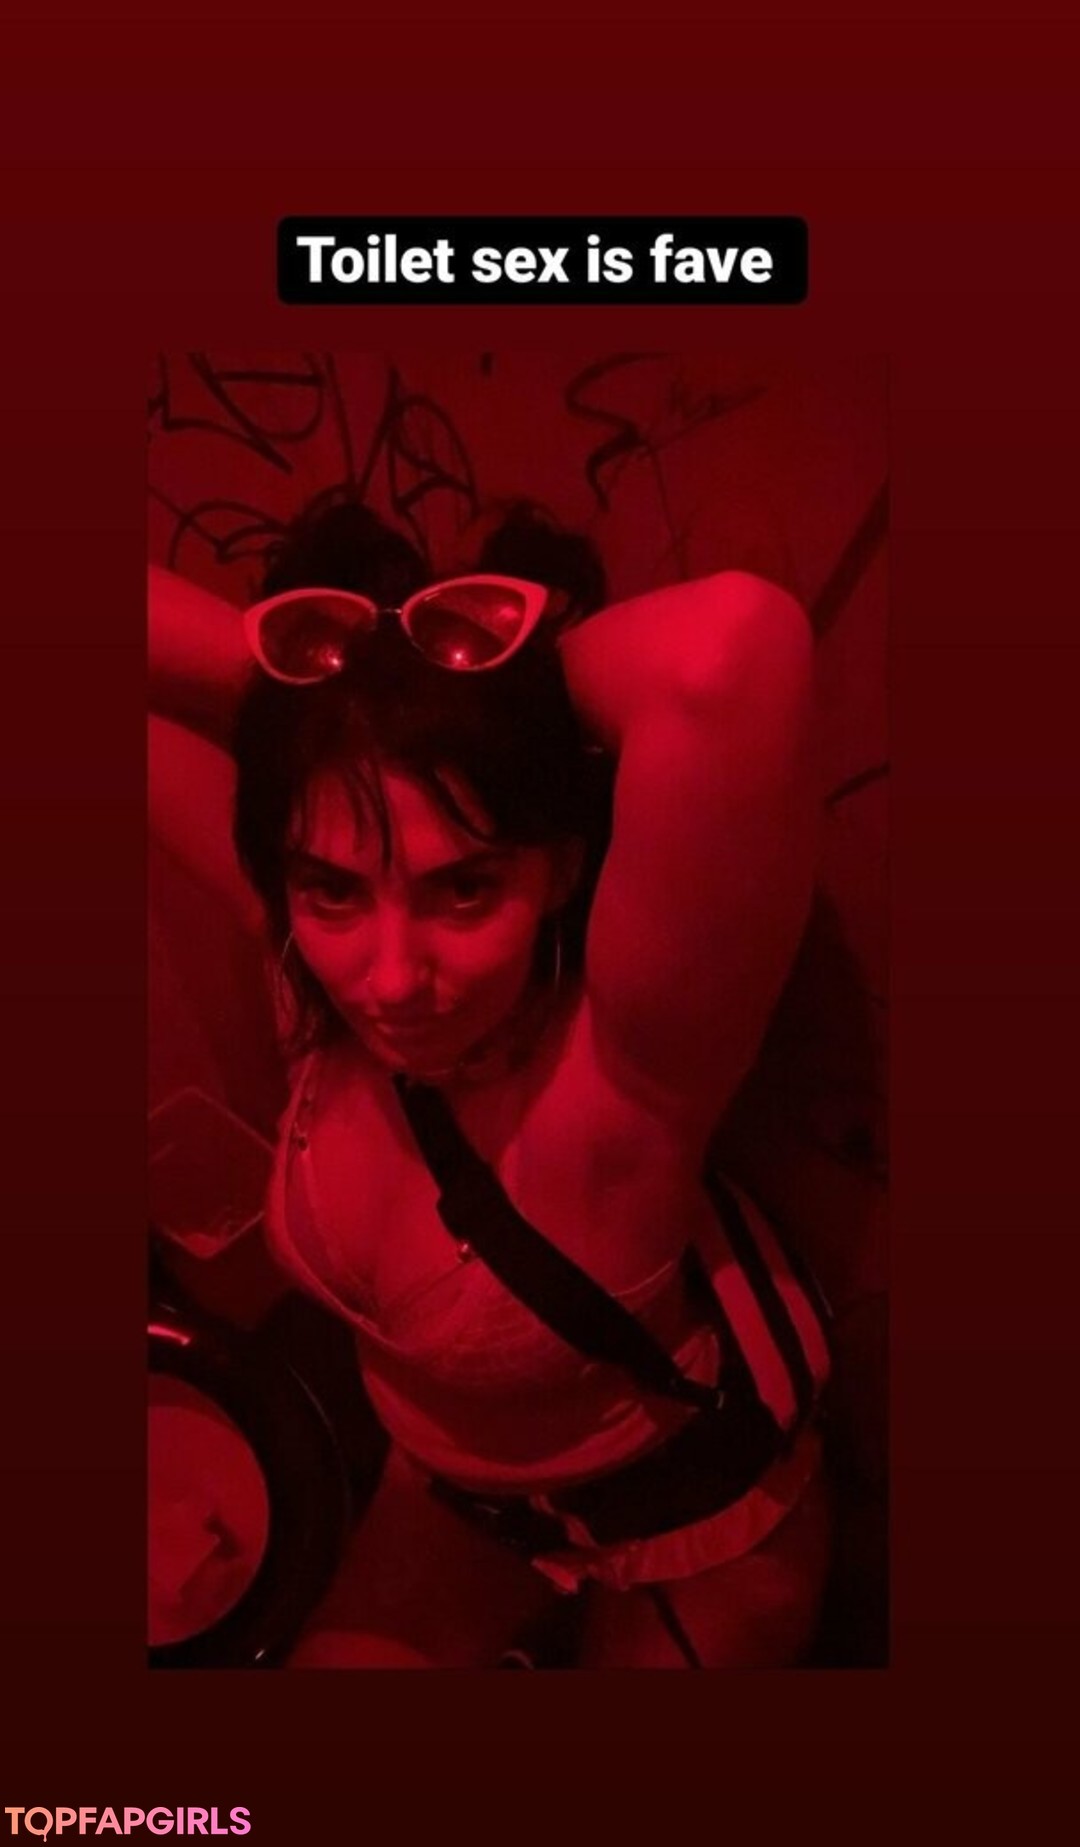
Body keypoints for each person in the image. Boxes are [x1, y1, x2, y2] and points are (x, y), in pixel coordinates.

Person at [148, 491, 832, 1669]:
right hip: (453, 1495)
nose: (390, 979)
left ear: (556, 872)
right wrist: (328, 695)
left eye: (463, 888)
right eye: (332, 890)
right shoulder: (311, 986)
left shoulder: (626, 1076)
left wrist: (460, 696)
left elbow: (733, 652)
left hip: (689, 1517)